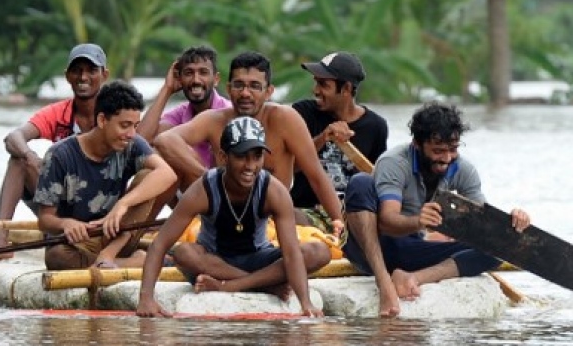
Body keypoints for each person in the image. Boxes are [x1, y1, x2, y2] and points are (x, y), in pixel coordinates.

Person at [343, 101, 531, 317]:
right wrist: (418, 221)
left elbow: (483, 222)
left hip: (410, 251)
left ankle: (413, 277)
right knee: (360, 183)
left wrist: (512, 222)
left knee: (500, 246)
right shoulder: (394, 162)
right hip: (373, 248)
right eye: (438, 151)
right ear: (417, 144)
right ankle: (384, 281)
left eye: (452, 150)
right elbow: (387, 221)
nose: (446, 158)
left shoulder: (462, 168)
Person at [137, 117, 327, 318]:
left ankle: (235, 285)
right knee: (184, 253)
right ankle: (263, 286)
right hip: (215, 262)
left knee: (318, 251)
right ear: (223, 157)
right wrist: (146, 298)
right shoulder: (204, 189)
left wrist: (305, 303)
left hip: (258, 258)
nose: (250, 166)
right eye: (241, 157)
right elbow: (160, 244)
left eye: (257, 156)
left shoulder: (274, 191)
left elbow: (291, 254)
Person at [152, 51, 345, 241]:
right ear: (228, 89)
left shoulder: (286, 120)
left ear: (268, 92)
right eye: (239, 85)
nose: (245, 93)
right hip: (225, 220)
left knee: (305, 234)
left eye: (254, 86)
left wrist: (340, 225)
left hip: (272, 220)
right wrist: (209, 179)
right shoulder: (214, 121)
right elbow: (164, 141)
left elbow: (317, 176)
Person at [33, 80, 177, 270]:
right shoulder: (60, 155)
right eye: (125, 125)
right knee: (57, 258)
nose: (131, 133)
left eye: (135, 125)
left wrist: (122, 204)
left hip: (119, 234)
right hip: (80, 242)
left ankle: (109, 256)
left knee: (150, 174)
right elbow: (45, 220)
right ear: (102, 120)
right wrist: (66, 224)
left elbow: (168, 175)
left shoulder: (132, 143)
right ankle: (136, 262)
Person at [0, 43, 110, 258]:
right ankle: (1, 237)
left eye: (91, 71)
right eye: (77, 71)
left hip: (100, 202)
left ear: (104, 75)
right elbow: (14, 137)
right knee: (19, 161)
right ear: (67, 76)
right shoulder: (59, 112)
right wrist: (31, 157)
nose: (83, 77)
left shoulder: (114, 113)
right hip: (62, 201)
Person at [292, 52, 389, 231]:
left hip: (353, 216)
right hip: (305, 212)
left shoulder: (376, 126)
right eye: (316, 82)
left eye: (323, 85)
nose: (316, 90)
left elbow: (378, 182)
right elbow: (291, 166)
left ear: (345, 89)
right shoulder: (302, 113)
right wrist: (323, 138)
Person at [136, 45, 231, 169]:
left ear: (216, 79)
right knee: (154, 160)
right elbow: (141, 141)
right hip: (191, 185)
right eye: (189, 73)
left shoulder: (229, 112)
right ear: (180, 79)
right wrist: (167, 89)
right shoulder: (180, 114)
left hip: (225, 184)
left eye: (203, 72)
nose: (196, 80)